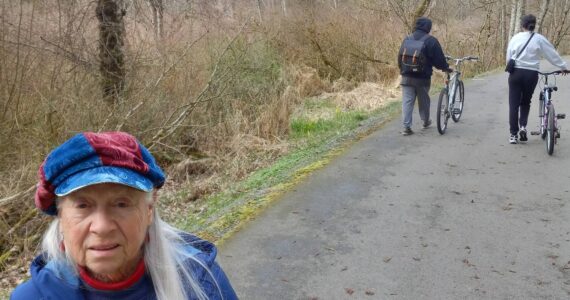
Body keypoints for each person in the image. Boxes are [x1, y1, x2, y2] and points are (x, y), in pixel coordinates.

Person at [11, 132, 238, 300]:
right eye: (82, 205)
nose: (101, 227)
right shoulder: (33, 297)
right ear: (60, 215)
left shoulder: (199, 282)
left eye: (121, 204)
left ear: (149, 210)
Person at [506, 14, 569, 144]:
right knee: (525, 102)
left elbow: (509, 57)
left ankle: (513, 135)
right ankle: (523, 126)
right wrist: (563, 67)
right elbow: (551, 54)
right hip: (531, 74)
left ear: (522, 25)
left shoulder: (515, 38)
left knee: (514, 104)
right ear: (534, 25)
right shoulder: (539, 39)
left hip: (516, 73)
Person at [398, 17, 451, 136]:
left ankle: (407, 127)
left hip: (406, 77)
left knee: (407, 101)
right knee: (424, 101)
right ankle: (426, 121)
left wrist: (403, 71)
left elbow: (400, 57)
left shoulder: (407, 39)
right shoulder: (431, 41)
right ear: (428, 27)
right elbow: (439, 60)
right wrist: (445, 68)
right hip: (422, 78)